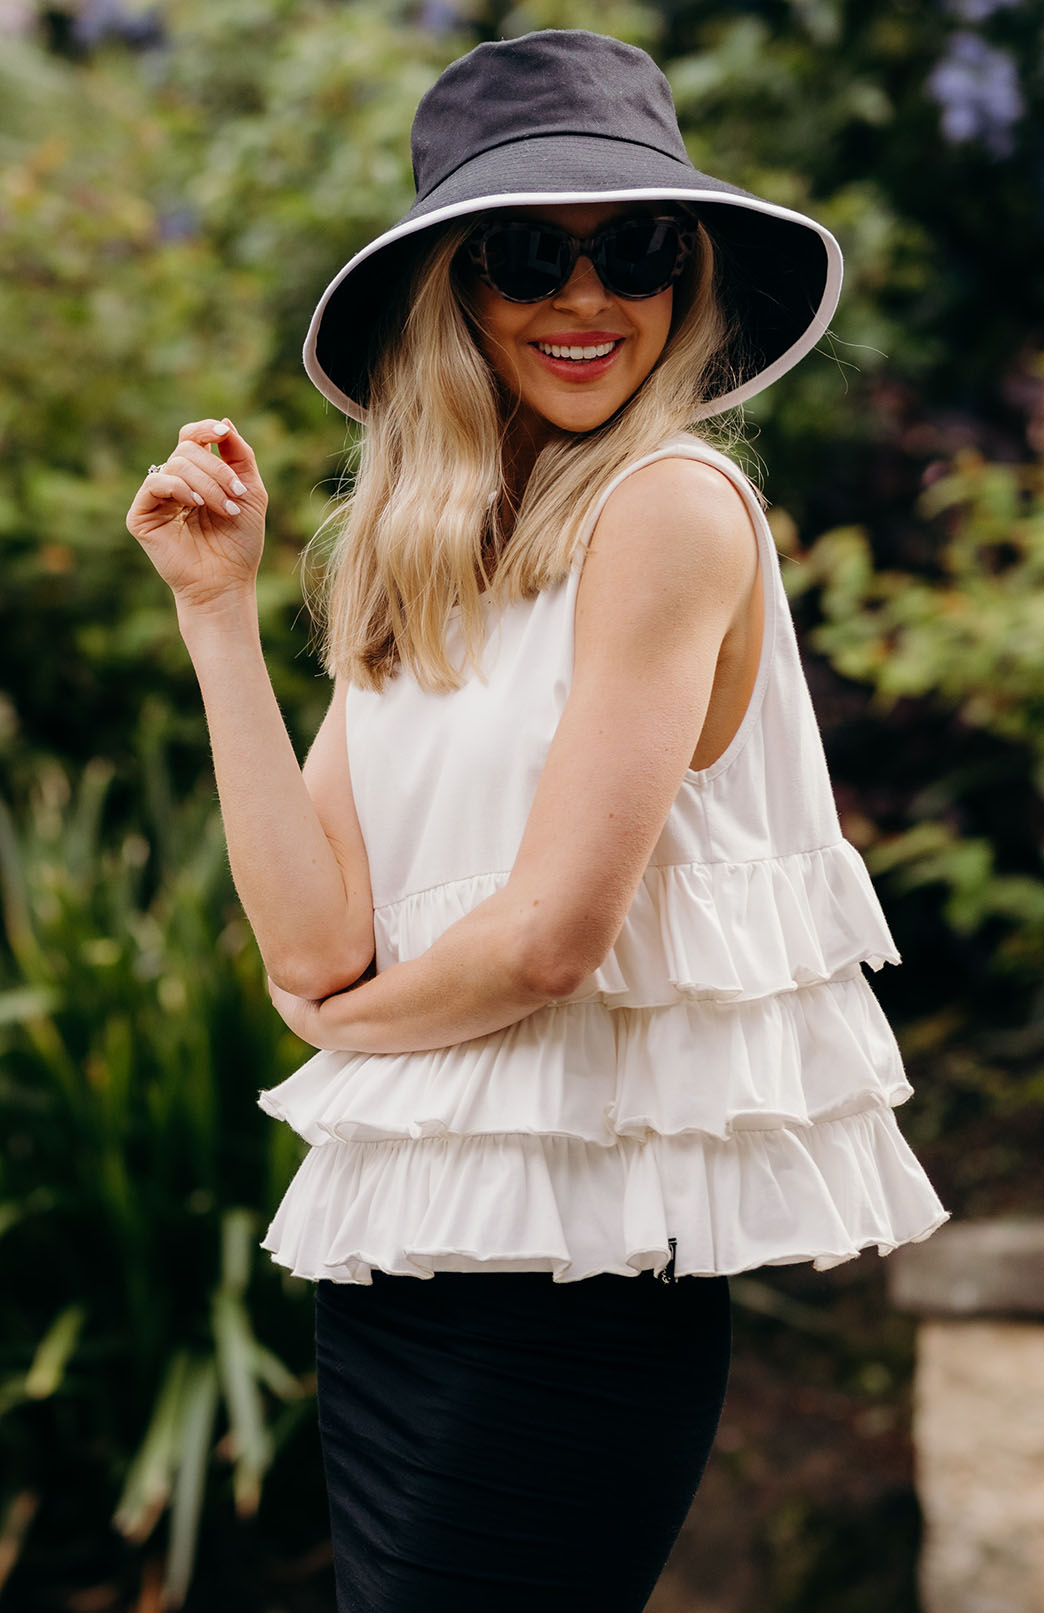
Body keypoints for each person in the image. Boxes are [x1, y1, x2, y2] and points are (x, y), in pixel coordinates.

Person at [126, 28, 949, 1613]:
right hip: (402, 1272)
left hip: (579, 1279)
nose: (588, 299)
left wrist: (344, 1028)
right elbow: (309, 936)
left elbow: (552, 937)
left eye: (636, 247)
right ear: (454, 288)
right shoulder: (410, 552)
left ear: (688, 273)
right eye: (527, 255)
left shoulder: (670, 510)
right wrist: (218, 619)